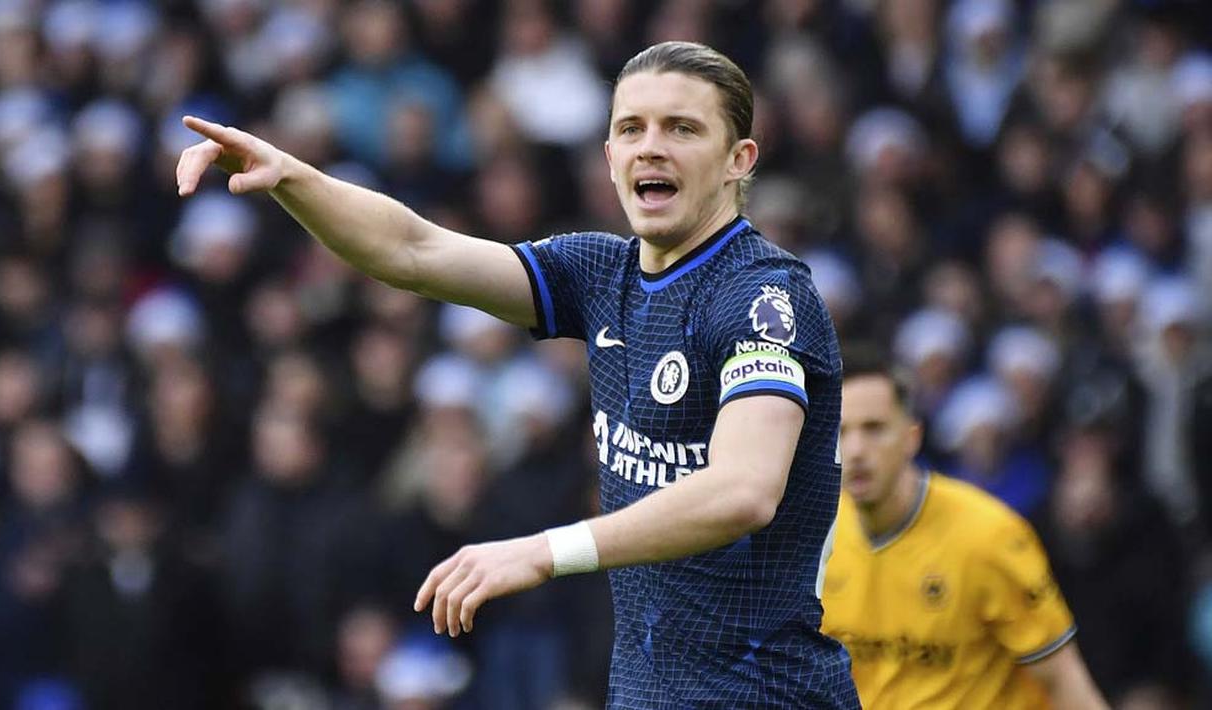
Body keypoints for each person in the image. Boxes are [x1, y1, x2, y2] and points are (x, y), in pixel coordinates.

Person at [177, 41, 856, 708]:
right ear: (610, 158)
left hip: (767, 694)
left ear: (739, 159)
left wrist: (542, 552)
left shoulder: (763, 297)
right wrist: (293, 176)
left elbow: (742, 491)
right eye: (631, 128)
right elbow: (411, 249)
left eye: (681, 128)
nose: (650, 146)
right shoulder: (600, 274)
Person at [821, 346, 1107, 709]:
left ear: (912, 437)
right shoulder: (818, 537)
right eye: (841, 432)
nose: (857, 449)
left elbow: (1061, 676)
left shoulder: (989, 536)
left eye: (874, 429)